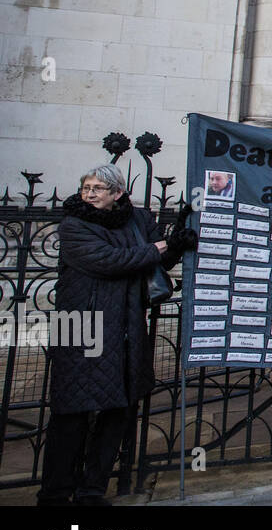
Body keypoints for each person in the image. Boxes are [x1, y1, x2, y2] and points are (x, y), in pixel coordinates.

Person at [39, 164, 196, 505]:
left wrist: (177, 240)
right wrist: (157, 248)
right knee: (70, 411)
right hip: (76, 322)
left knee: (118, 408)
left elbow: (159, 260)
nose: (90, 193)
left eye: (98, 188)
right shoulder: (73, 223)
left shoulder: (138, 219)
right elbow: (108, 260)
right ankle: (54, 493)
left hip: (124, 321)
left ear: (117, 193)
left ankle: (92, 489)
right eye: (87, 187)